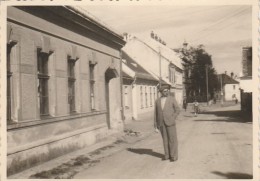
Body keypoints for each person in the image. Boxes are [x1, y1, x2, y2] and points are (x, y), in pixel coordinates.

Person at [154, 84, 180, 162]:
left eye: (167, 91)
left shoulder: (172, 99)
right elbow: (156, 113)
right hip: (161, 122)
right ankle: (167, 155)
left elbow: (177, 110)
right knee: (165, 140)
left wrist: (173, 117)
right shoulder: (157, 101)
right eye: (165, 91)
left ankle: (174, 156)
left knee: (172, 139)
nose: (166, 92)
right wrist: (155, 124)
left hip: (170, 122)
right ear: (161, 92)